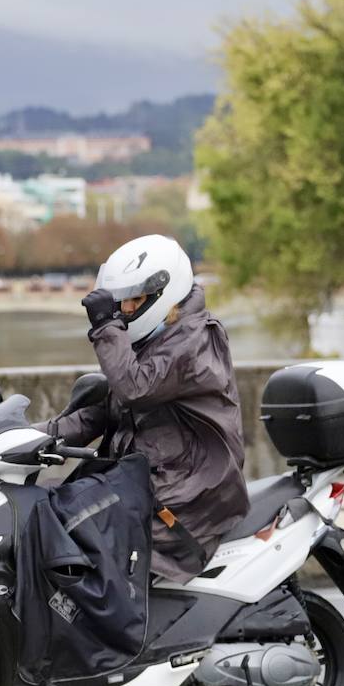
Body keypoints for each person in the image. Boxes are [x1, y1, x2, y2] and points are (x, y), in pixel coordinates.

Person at [52, 234, 248, 582]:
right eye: (120, 303)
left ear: (164, 294)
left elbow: (134, 389)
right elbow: (107, 409)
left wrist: (105, 327)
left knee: (85, 532)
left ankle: (121, 633)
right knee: (51, 509)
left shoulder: (194, 339)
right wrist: (36, 436)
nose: (126, 311)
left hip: (188, 498)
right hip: (152, 480)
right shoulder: (156, 337)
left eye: (135, 300)